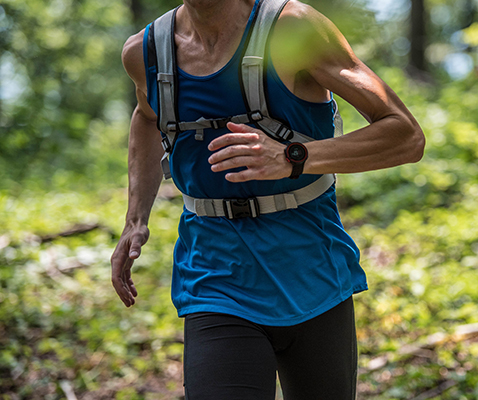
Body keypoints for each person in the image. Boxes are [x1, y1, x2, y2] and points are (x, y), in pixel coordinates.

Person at [111, 0, 425, 398]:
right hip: (215, 275)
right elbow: (147, 115)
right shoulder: (146, 51)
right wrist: (135, 218)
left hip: (312, 271)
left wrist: (292, 156)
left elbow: (406, 135)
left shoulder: (292, 29)